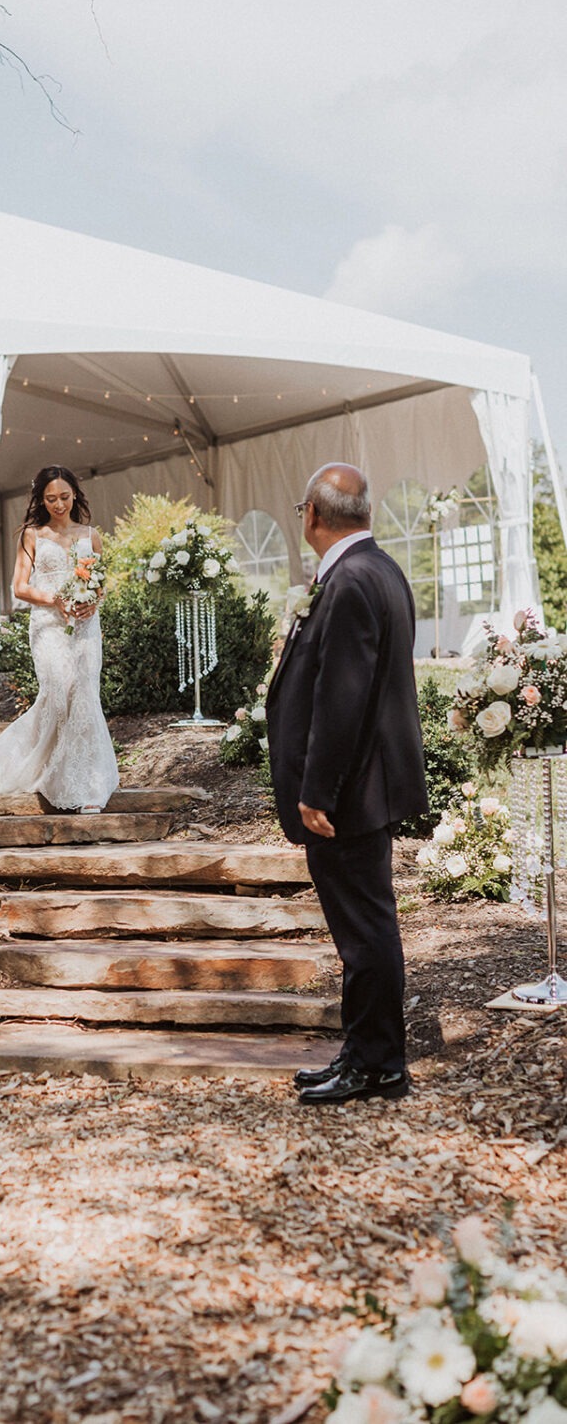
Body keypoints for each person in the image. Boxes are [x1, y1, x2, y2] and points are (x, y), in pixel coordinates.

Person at [265, 463, 428, 1105]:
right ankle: (363, 1052)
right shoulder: (380, 570)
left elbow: (344, 698)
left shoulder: (353, 580)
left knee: (365, 934)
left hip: (350, 795)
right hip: (365, 787)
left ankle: (381, 1065)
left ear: (311, 514)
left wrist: (317, 791)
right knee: (363, 930)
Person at [0, 465, 118, 812]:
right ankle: (44, 769)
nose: (58, 504)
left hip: (84, 627)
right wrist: (56, 599)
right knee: (60, 693)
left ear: (75, 496)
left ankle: (87, 784)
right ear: (41, 499)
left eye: (64, 497)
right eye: (51, 498)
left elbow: (99, 584)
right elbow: (20, 588)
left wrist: (91, 604)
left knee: (83, 695)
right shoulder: (32, 535)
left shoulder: (90, 535)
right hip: (48, 626)